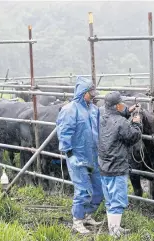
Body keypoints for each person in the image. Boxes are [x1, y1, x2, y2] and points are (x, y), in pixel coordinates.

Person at [56, 76, 103, 234]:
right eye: (91, 92)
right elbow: (64, 133)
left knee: (98, 189)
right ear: (83, 92)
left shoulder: (94, 110)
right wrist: (69, 153)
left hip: (93, 156)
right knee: (83, 190)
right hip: (77, 156)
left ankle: (87, 215)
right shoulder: (70, 110)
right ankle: (77, 220)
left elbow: (98, 131)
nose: (93, 95)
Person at [98, 91, 143, 238]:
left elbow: (115, 120)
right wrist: (136, 123)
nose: (124, 105)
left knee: (110, 199)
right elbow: (132, 136)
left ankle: (114, 226)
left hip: (104, 165)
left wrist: (126, 111)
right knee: (117, 199)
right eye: (122, 104)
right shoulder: (121, 122)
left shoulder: (102, 116)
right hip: (117, 166)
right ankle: (114, 232)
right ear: (117, 106)